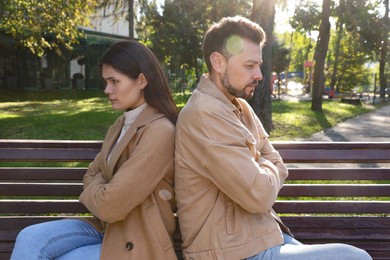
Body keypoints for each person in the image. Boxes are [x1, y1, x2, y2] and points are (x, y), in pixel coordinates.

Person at [174, 16, 372, 260]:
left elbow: (275, 162)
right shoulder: (204, 114)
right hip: (232, 252)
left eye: (258, 65)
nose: (259, 74)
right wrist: (264, 164)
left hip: (260, 236)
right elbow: (260, 193)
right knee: (356, 257)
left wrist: (261, 165)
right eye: (249, 66)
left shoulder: (239, 108)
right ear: (218, 62)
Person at [11, 40, 179, 260]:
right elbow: (90, 173)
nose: (107, 90)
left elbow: (110, 206)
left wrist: (99, 189)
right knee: (29, 238)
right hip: (105, 228)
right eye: (106, 81)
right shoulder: (119, 125)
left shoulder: (160, 131)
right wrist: (102, 190)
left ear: (142, 80)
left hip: (137, 239)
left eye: (114, 81)